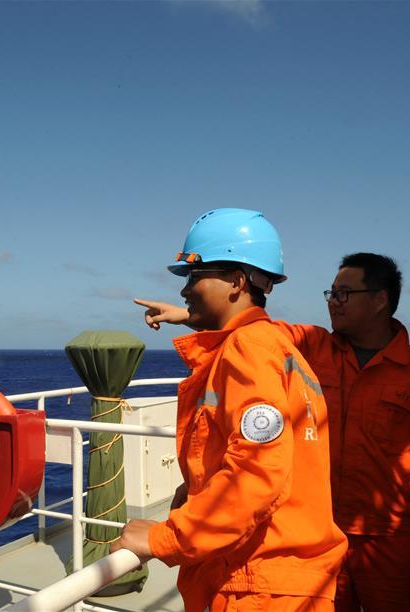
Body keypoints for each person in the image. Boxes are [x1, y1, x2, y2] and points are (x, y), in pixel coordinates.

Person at [136, 252, 410, 612]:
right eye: (331, 294)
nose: (333, 304)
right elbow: (253, 326)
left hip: (387, 541)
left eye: (343, 294)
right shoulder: (312, 345)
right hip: (317, 531)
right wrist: (191, 315)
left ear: (379, 299)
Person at [112, 208, 347, 612]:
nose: (185, 290)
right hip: (282, 577)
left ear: (237, 282)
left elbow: (255, 471)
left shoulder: (248, 351)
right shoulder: (272, 346)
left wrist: (165, 538)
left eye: (195, 275)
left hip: (254, 582)